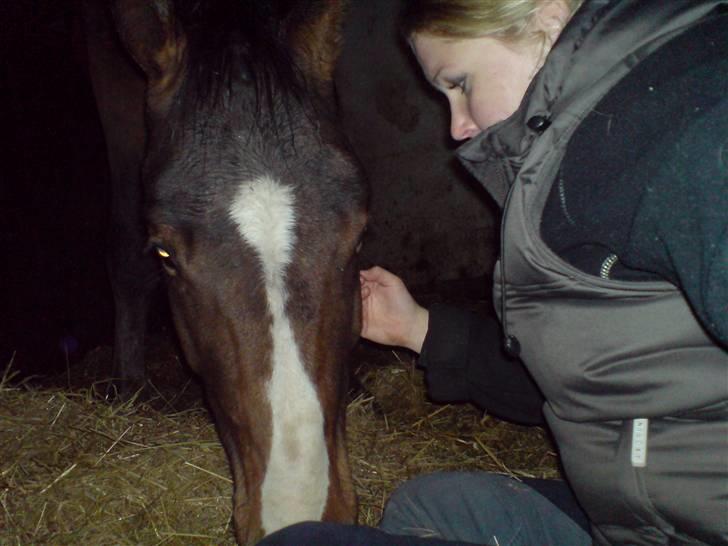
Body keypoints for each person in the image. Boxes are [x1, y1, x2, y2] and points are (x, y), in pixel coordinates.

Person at [260, 0, 728, 544]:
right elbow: (596, 380)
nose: (458, 128)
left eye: (460, 83)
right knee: (430, 502)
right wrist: (419, 329)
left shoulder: (684, 127)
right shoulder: (583, 145)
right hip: (642, 511)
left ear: (549, 20)